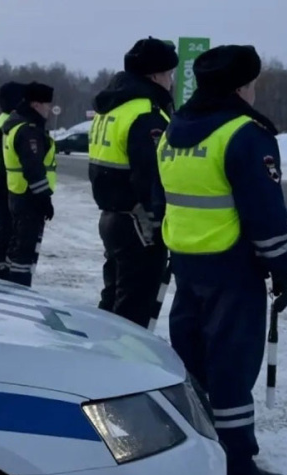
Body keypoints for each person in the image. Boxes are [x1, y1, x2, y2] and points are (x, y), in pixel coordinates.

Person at [155, 44, 287, 475]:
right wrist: (283, 265)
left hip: (187, 264)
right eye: (252, 83)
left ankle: (191, 449)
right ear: (241, 86)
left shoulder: (176, 128)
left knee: (193, 362)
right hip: (232, 268)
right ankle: (236, 462)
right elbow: (264, 210)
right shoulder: (245, 133)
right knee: (232, 367)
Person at [88, 37, 178, 327]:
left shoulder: (113, 108)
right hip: (139, 222)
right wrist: (162, 220)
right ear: (155, 75)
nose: (171, 81)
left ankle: (101, 358)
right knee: (134, 310)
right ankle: (124, 366)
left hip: (113, 217)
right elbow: (151, 175)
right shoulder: (145, 113)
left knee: (113, 297)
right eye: (168, 74)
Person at [1, 81, 56, 287]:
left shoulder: (15, 124)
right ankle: (18, 288)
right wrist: (44, 199)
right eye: (46, 104)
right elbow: (34, 168)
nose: (49, 109)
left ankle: (7, 284)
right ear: (36, 105)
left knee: (16, 245)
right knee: (25, 249)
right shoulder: (29, 131)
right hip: (29, 196)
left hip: (17, 193)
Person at [0, 81, 25, 280]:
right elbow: (7, 160)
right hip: (1, 180)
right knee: (6, 228)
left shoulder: (1, 119)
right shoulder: (9, 124)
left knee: (3, 227)